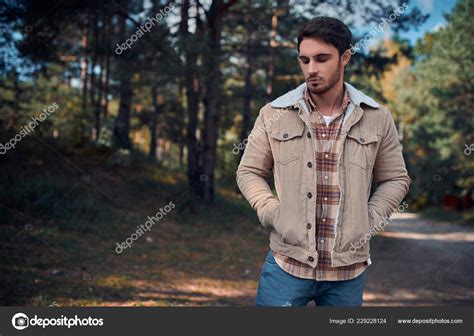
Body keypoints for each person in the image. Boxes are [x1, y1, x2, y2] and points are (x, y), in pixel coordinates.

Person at [236, 17, 410, 307]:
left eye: (321, 59)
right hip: (286, 266)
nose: (311, 69)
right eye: (304, 60)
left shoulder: (377, 117)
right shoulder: (274, 113)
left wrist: (369, 219)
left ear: (345, 58)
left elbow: (396, 178)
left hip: (347, 273)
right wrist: (271, 211)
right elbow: (249, 171)